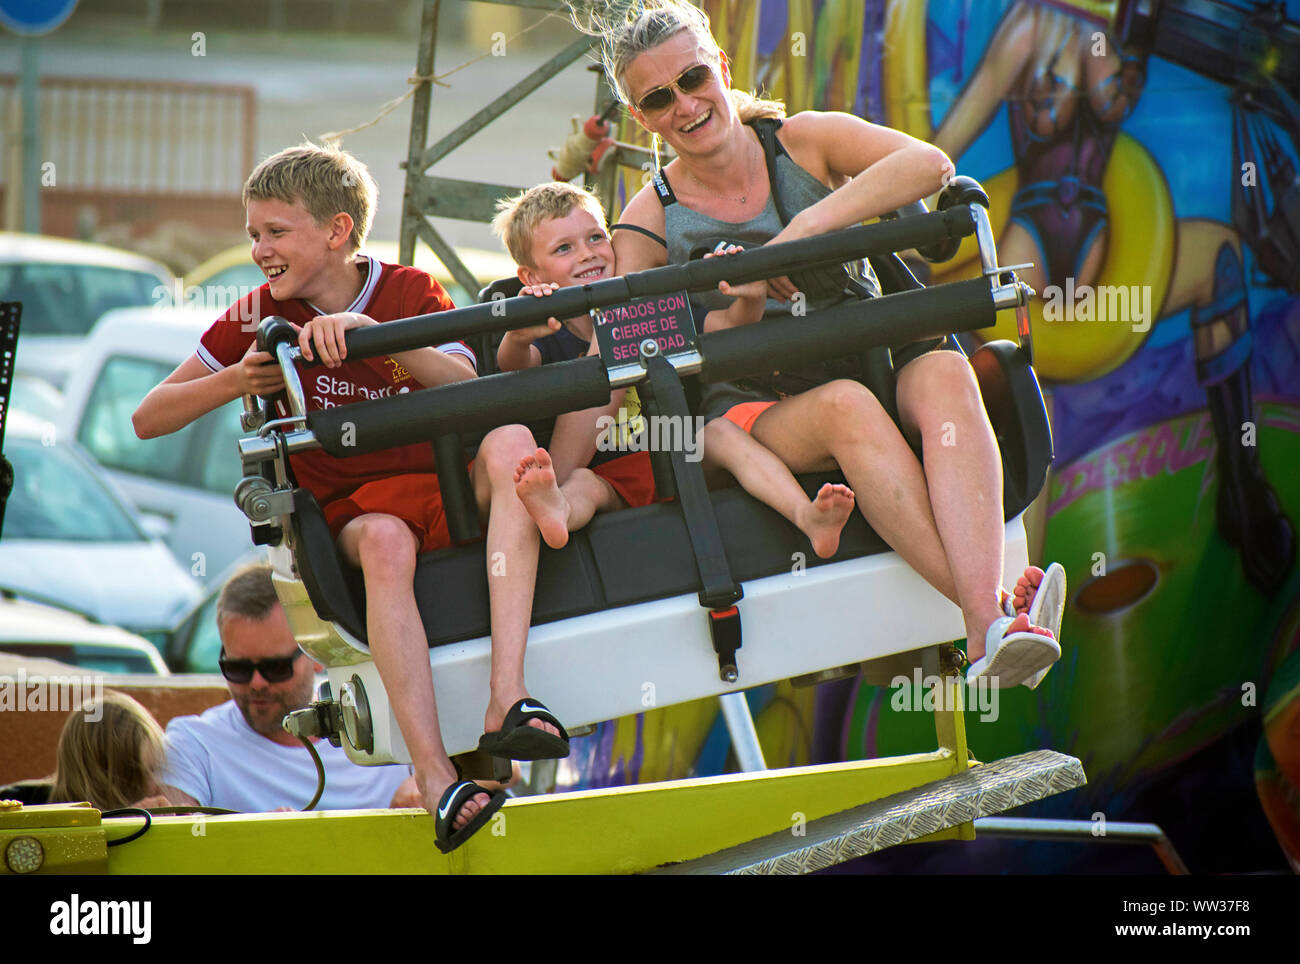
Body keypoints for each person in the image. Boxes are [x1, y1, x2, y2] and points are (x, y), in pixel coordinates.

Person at [570, 0, 1066, 687]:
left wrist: (797, 238)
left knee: (948, 372)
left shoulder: (802, 141)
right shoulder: (651, 220)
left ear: (721, 66)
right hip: (758, 402)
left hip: (866, 352)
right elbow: (627, 348)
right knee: (846, 406)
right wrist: (734, 297)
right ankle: (989, 619)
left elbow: (928, 164)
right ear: (641, 118)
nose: (684, 106)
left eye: (692, 80)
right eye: (659, 98)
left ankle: (993, 627)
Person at [132, 144, 566, 852]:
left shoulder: (406, 290)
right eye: (252, 234)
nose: (258, 249)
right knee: (388, 543)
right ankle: (435, 780)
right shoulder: (260, 314)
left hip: (444, 491)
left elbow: (466, 385)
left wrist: (378, 339)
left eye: (275, 232)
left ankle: (508, 695)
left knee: (514, 435)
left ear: (337, 231)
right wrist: (238, 381)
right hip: (357, 516)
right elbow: (149, 417)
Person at [493, 180, 856, 558]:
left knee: (721, 432)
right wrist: (518, 334)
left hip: (677, 455)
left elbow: (727, 327)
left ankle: (806, 515)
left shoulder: (650, 309)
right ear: (532, 277)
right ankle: (559, 514)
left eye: (596, 238)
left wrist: (749, 297)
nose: (587, 254)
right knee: (585, 484)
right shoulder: (547, 329)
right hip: (613, 474)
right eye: (564, 248)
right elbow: (515, 365)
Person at [152, 564, 412, 812]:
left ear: (316, 653)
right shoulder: (195, 744)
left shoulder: (393, 726)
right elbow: (175, 834)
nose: (257, 683)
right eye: (238, 669)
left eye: (275, 668)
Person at [49, 691, 168, 812]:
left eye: (155, 768)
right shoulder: (61, 825)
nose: (155, 783)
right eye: (144, 774)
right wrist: (131, 823)